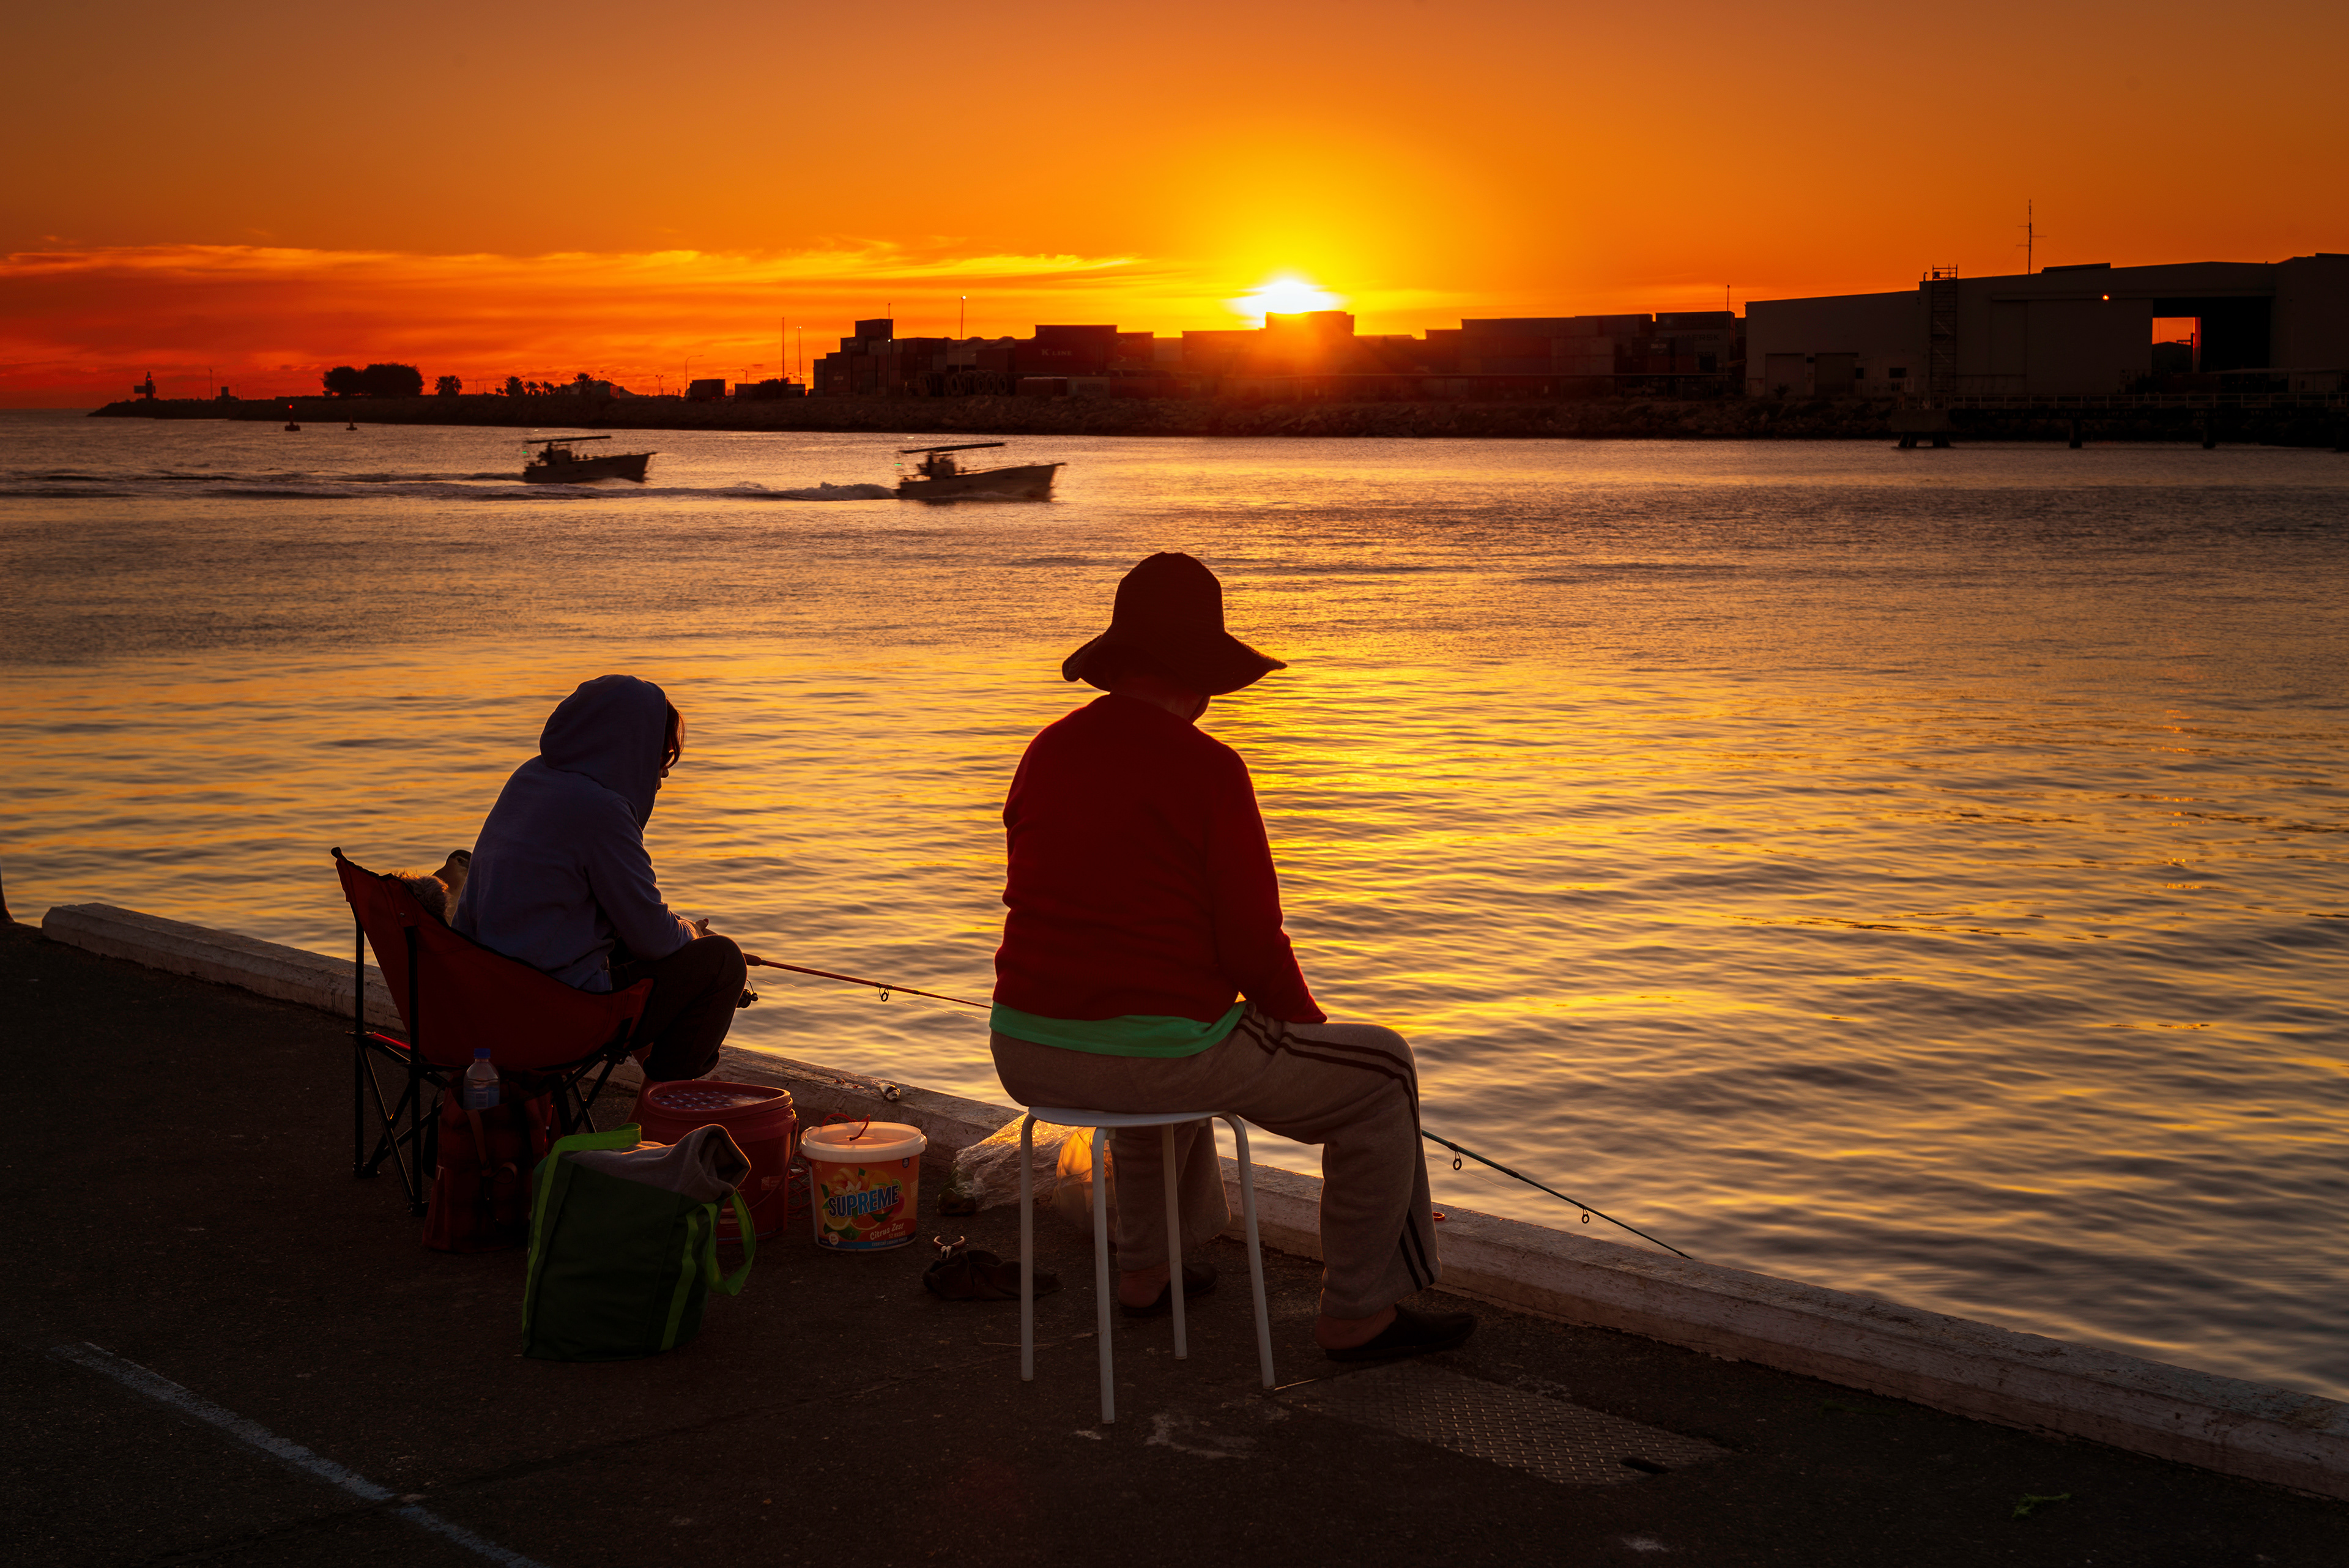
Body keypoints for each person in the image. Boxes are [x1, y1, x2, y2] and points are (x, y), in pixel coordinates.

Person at [989, 552, 1474, 1361]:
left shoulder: (1046, 749)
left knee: (1170, 1042)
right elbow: (1253, 943)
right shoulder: (1211, 769)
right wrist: (1310, 1035)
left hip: (1024, 1048)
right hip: (1149, 1059)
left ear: (1119, 662)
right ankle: (1359, 1311)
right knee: (1383, 1071)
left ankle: (1146, 1271)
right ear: (1202, 677)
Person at [455, 674, 746, 1083]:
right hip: (550, 1012)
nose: (662, 775)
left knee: (627, 939)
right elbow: (656, 938)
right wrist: (694, 933)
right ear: (632, 747)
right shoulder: (602, 810)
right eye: (659, 756)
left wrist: (674, 930)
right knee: (724, 962)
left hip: (480, 996)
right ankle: (662, 1113)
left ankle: (660, 1097)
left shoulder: (529, 779)